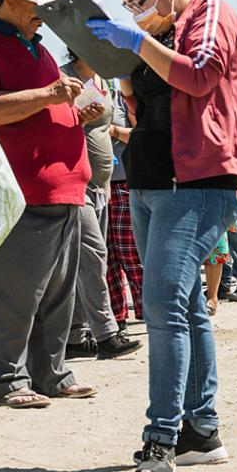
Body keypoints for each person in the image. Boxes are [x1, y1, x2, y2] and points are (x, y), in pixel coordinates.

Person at [87, 0, 237, 472]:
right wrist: (125, 72)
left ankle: (161, 439)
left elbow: (201, 76)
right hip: (151, 178)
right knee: (185, 309)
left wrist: (138, 42)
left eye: (137, 2)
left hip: (197, 181)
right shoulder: (158, 32)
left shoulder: (211, 15)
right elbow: (149, 104)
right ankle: (201, 433)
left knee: (161, 310)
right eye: (125, 8)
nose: (133, 14)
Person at [0, 0, 97, 410]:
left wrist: (76, 111)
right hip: (20, 190)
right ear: (13, 1)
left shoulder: (37, 49)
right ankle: (5, 380)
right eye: (38, 4)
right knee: (12, 291)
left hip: (64, 189)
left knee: (58, 293)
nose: (45, 15)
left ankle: (51, 374)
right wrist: (50, 94)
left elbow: (43, 105)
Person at [61, 53, 142, 359]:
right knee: (94, 258)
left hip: (100, 186)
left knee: (87, 260)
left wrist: (105, 183)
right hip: (76, 182)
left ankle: (75, 337)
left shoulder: (102, 80)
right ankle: (106, 334)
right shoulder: (64, 77)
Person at [106, 78, 144, 329]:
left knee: (131, 255)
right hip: (94, 187)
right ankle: (116, 316)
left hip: (123, 185)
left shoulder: (121, 98)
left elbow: (142, 136)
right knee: (106, 260)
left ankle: (148, 310)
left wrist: (113, 131)